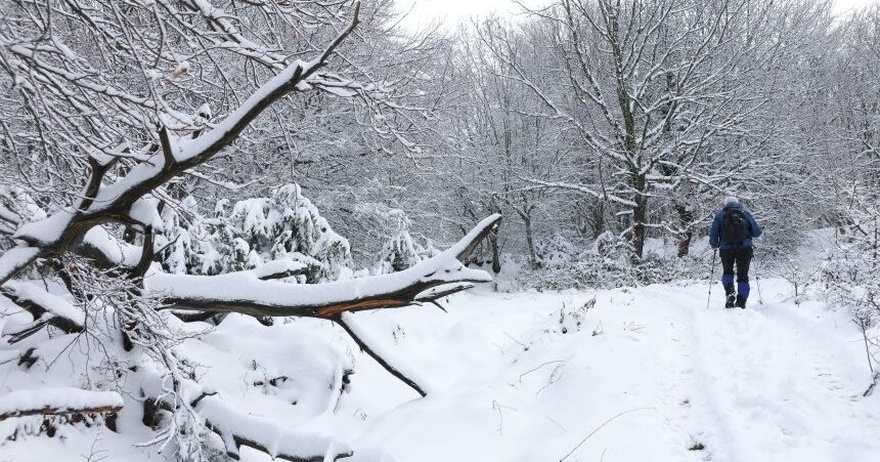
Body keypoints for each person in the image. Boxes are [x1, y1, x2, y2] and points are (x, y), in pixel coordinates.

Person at [709, 196, 762, 309]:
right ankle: (741, 301)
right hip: (745, 249)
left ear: (725, 204)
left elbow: (713, 233)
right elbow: (757, 233)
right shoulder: (745, 214)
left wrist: (714, 244)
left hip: (726, 249)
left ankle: (730, 292)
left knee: (727, 272)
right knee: (743, 276)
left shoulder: (720, 215)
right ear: (737, 203)